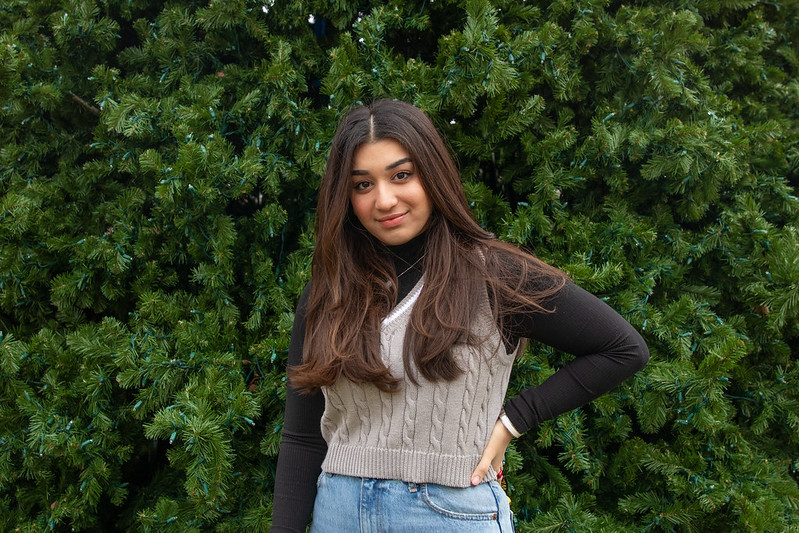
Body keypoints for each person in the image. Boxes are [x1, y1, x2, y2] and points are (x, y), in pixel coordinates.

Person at [270, 99, 649, 532]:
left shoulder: (493, 275)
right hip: (337, 513)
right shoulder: (328, 292)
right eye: (362, 185)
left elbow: (623, 347)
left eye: (401, 175)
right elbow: (301, 439)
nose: (385, 199)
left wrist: (515, 420)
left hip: (445, 514)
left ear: (431, 173)